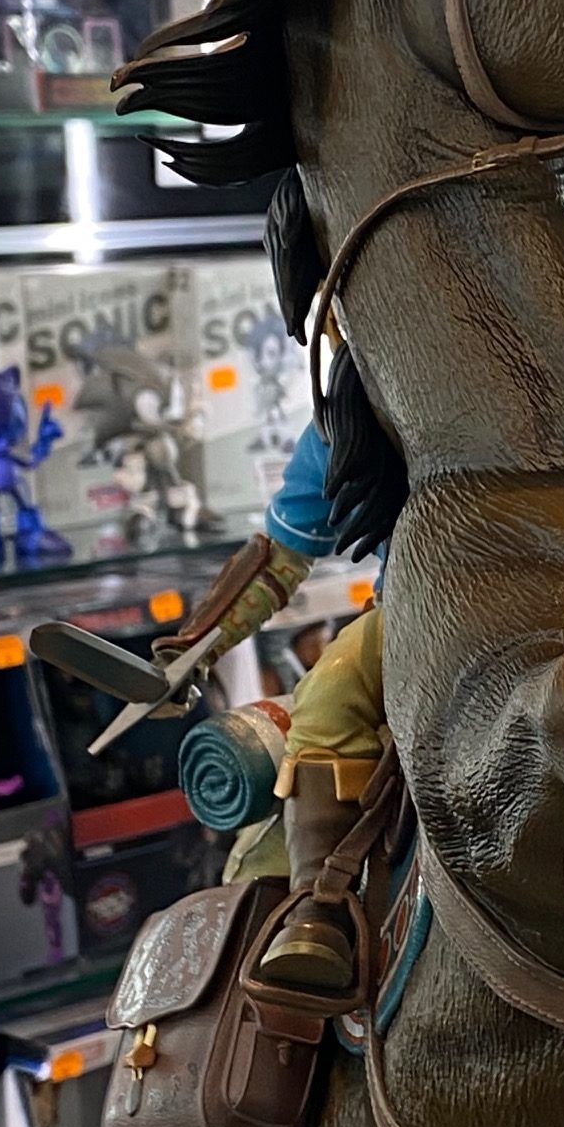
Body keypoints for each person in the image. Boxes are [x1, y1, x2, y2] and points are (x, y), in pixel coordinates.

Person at [155, 417, 394, 1011]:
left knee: (328, 696)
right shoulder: (350, 417)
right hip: (423, 612)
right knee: (326, 696)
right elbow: (279, 555)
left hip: (512, 604)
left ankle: (319, 909)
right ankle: (313, 906)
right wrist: (191, 650)